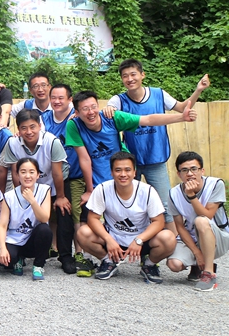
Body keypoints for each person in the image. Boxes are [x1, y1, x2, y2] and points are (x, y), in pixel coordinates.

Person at [65, 90, 197, 224]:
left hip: (120, 175)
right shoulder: (74, 125)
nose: (91, 112)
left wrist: (181, 117)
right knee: (86, 225)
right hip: (97, 180)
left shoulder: (111, 118)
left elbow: (148, 119)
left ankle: (169, 236)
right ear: (77, 112)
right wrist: (89, 190)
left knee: (138, 215)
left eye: (93, 107)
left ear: (98, 106)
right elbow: (85, 159)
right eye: (85, 109)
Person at [105, 60, 208, 216]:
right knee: (130, 203)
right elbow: (107, 113)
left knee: (165, 204)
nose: (130, 79)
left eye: (133, 74)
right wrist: (106, 109)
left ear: (142, 75)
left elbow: (182, 107)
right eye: (125, 76)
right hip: (131, 163)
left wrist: (198, 90)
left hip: (156, 159)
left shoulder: (158, 94)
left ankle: (172, 231)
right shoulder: (118, 100)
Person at [76, 152, 176, 283]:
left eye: (127, 170)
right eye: (118, 170)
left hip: (142, 240)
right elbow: (92, 218)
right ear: (111, 172)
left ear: (134, 172)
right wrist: (108, 239)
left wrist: (139, 240)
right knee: (82, 233)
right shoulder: (102, 189)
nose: (123, 174)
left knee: (168, 238)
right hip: (113, 238)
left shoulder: (147, 191)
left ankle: (149, 264)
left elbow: (159, 221)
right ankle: (108, 261)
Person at [1, 108, 71, 269]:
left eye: (32, 127)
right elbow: (15, 172)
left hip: (54, 182)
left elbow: (57, 172)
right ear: (18, 129)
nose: (29, 132)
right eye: (24, 128)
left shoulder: (52, 141)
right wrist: (21, 195)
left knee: (63, 212)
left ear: (40, 126)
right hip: (27, 183)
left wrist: (60, 196)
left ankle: (66, 256)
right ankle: (21, 252)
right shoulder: (12, 143)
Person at [41, 84, 94, 276]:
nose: (56, 101)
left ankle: (77, 253)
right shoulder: (44, 118)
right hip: (51, 175)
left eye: (61, 98)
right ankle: (53, 248)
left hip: (74, 174)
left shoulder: (77, 117)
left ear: (70, 100)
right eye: (53, 98)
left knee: (73, 213)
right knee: (53, 214)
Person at [165, 151, 228, 291]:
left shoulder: (215, 184)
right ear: (178, 174)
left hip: (218, 236)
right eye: (184, 170)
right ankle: (197, 266)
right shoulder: (173, 193)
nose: (190, 174)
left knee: (201, 221)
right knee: (174, 264)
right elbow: (180, 227)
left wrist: (191, 196)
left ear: (202, 171)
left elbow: (207, 215)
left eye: (194, 169)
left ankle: (209, 273)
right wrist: (197, 253)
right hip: (193, 236)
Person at [0, 157, 53, 281]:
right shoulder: (9, 196)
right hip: (14, 239)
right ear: (17, 175)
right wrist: (2, 248)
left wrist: (32, 201)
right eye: (23, 172)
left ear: (38, 175)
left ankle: (38, 265)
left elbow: (44, 218)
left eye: (32, 172)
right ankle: (18, 259)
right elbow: (2, 225)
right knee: (3, 259)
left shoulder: (44, 190)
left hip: (33, 239)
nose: (27, 176)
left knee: (45, 230)